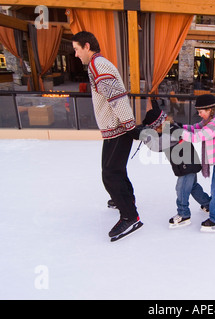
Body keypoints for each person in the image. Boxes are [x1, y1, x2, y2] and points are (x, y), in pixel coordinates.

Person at [72, 31, 143, 241]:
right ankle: (124, 200)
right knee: (114, 170)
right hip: (115, 128)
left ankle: (130, 216)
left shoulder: (98, 65)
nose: (76, 54)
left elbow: (117, 98)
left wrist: (130, 127)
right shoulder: (95, 65)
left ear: (87, 46)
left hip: (119, 129)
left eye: (76, 49)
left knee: (110, 174)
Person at [140, 100, 211, 228]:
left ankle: (184, 215)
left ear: (158, 125)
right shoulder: (172, 126)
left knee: (182, 189)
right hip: (188, 164)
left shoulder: (171, 131)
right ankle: (209, 204)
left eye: (154, 128)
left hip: (186, 166)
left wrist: (144, 136)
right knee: (193, 187)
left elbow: (156, 145)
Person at [181, 94, 215, 232]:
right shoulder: (208, 121)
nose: (199, 115)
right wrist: (181, 127)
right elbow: (195, 128)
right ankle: (213, 206)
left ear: (210, 110)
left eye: (201, 112)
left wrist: (179, 133)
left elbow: (197, 137)